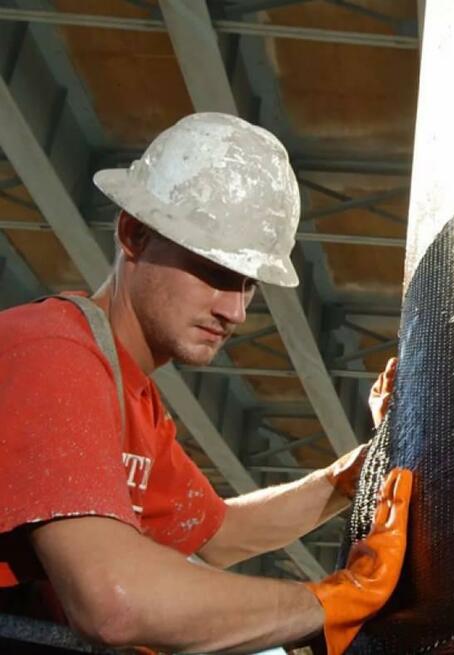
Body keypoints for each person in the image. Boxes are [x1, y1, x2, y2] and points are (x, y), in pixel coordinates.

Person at [0, 112, 410, 655]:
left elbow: (217, 535)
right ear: (134, 234)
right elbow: (114, 602)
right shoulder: (53, 354)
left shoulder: (130, 396)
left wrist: (356, 473)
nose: (235, 310)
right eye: (215, 272)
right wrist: (330, 602)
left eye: (246, 284)